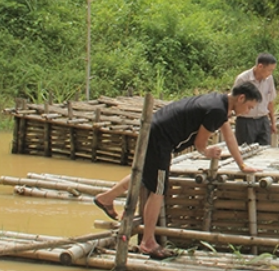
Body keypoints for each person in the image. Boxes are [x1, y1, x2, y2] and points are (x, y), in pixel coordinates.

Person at [93, 82, 262, 258]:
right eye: (249, 106)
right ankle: (148, 242)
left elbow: (228, 136)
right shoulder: (217, 110)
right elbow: (199, 143)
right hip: (161, 138)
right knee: (158, 189)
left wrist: (241, 164)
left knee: (146, 174)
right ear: (241, 98)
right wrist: (206, 151)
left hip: (156, 130)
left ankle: (106, 198)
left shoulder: (219, 103)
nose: (248, 111)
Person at [232, 53, 278, 146]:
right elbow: (234, 101)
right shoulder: (243, 79)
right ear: (260, 66)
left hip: (263, 120)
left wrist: (273, 122)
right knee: (246, 151)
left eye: (272, 71)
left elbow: (270, 101)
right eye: (269, 70)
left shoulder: (269, 79)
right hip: (245, 122)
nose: (270, 73)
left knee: (265, 151)